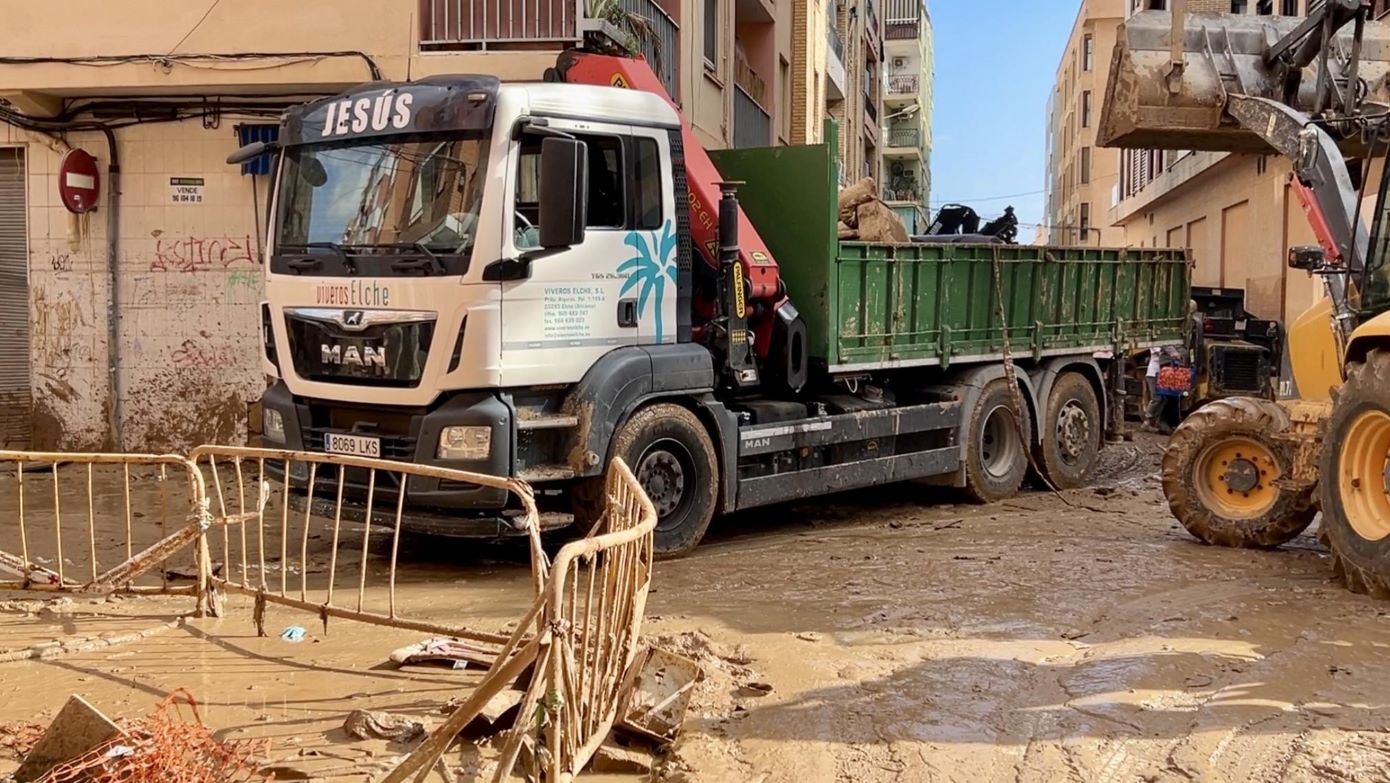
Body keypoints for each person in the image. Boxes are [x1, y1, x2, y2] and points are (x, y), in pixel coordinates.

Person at [1143, 345, 1182, 432]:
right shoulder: (1157, 345)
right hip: (1153, 373)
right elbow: (1162, 349)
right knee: (1156, 398)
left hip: (1162, 374)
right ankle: (1147, 420)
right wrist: (1173, 352)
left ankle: (1155, 421)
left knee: (1163, 399)